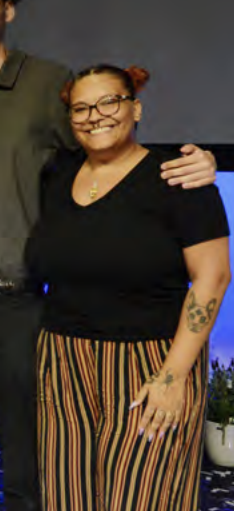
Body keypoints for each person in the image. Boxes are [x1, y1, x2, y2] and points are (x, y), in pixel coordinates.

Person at [0, 0, 218, 510]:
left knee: (31, 469)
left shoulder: (51, 83)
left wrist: (201, 162)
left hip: (21, 307)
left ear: (9, 9)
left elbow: (109, 149)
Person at [29, 64, 229, 510]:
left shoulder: (179, 178)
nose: (94, 115)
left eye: (109, 102)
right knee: (66, 498)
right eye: (81, 107)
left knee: (141, 498)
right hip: (63, 364)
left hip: (151, 362)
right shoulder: (56, 175)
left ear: (135, 108)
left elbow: (212, 278)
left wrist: (174, 377)